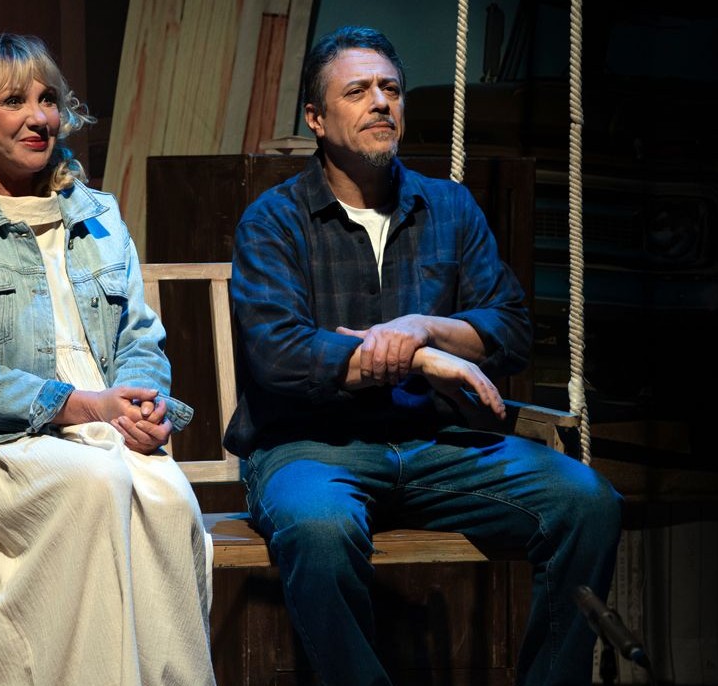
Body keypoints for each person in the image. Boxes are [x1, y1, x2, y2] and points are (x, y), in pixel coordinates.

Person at [224, 25, 622, 686]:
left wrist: (423, 328)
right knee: (318, 528)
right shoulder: (275, 220)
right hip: (312, 448)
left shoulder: (449, 207)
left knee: (587, 503)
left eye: (391, 89)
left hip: (438, 445)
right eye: (358, 91)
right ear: (316, 119)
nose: (381, 102)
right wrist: (420, 358)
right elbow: (281, 355)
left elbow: (510, 329)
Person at [0, 33, 215, 686]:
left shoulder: (97, 215)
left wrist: (141, 403)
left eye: (48, 99)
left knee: (170, 497)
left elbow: (138, 337)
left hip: (98, 434)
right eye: (14, 101)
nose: (39, 117)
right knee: (93, 485)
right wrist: (80, 405)